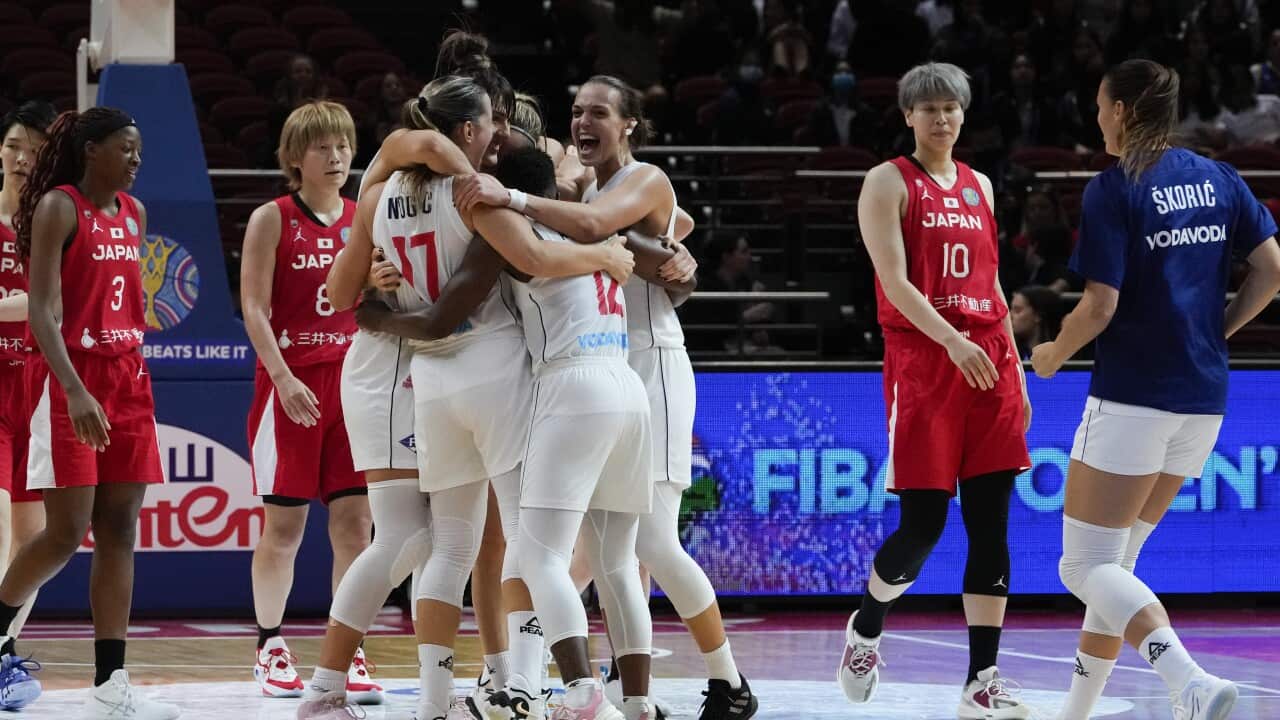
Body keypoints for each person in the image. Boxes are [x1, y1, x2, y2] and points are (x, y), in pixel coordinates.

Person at [302, 76, 634, 720]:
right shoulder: (474, 195)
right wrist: (604, 256)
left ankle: (432, 701)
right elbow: (534, 259)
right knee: (528, 543)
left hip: (429, 381)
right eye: (488, 125)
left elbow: (345, 299)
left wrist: (378, 307)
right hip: (488, 369)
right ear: (465, 132)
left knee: (447, 547)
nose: (495, 137)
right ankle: (569, 687)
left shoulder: (375, 195)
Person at [456, 74, 756, 720]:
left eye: (598, 112)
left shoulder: (640, 179)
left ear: (630, 127)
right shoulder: (582, 189)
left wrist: (678, 261)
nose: (583, 122)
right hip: (614, 365)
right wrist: (668, 253)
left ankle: (727, 681)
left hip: (653, 364)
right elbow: (639, 240)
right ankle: (608, 693)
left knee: (646, 546)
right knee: (599, 553)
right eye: (576, 112)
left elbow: (606, 229)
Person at [1030, 58, 1280, 720]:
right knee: (1117, 567)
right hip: (1204, 399)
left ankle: (1187, 681)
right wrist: (1216, 330)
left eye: (1099, 105)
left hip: (1135, 395)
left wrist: (1054, 352)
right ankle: (1076, 714)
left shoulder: (1115, 188)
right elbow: (1272, 269)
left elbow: (1099, 306)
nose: (1094, 117)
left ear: (1122, 111)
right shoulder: (1219, 177)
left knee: (1081, 569)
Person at [837, 62, 1032, 720]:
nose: (942, 118)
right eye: (929, 109)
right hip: (927, 359)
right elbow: (893, 280)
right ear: (908, 117)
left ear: (964, 114)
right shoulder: (887, 181)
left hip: (990, 361)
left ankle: (982, 679)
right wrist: (951, 339)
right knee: (924, 526)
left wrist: (1018, 369)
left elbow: (996, 282)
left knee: (992, 525)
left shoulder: (980, 185)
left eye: (952, 108)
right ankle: (866, 627)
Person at [0, 106, 179, 719]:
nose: (136, 158)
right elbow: (44, 311)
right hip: (71, 376)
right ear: (91, 149)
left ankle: (110, 685)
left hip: (130, 377)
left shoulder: (136, 214)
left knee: (121, 532)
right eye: (126, 148)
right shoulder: (58, 207)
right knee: (64, 532)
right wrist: (75, 390)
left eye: (139, 149)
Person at [240, 101, 376, 701]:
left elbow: (373, 303)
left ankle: (347, 650)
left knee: (356, 528)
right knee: (286, 528)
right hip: (290, 387)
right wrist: (284, 378)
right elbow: (252, 307)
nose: (338, 156)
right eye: (324, 146)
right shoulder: (271, 217)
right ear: (296, 158)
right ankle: (269, 644)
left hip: (354, 384)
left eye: (344, 145)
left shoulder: (363, 217)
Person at [0, 101, 56, 710]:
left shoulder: (50, 225)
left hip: (36, 391)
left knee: (33, 541)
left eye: (35, 150)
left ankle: (3, 653)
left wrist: (20, 303)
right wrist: (29, 303)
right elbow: (42, 304)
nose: (22, 158)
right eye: (15, 145)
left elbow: (58, 306)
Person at [1008, 285, 1060, 359]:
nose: (1010, 316)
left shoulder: (1062, 356)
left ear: (1037, 315)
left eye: (1017, 310)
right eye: (1011, 309)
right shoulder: (1008, 354)